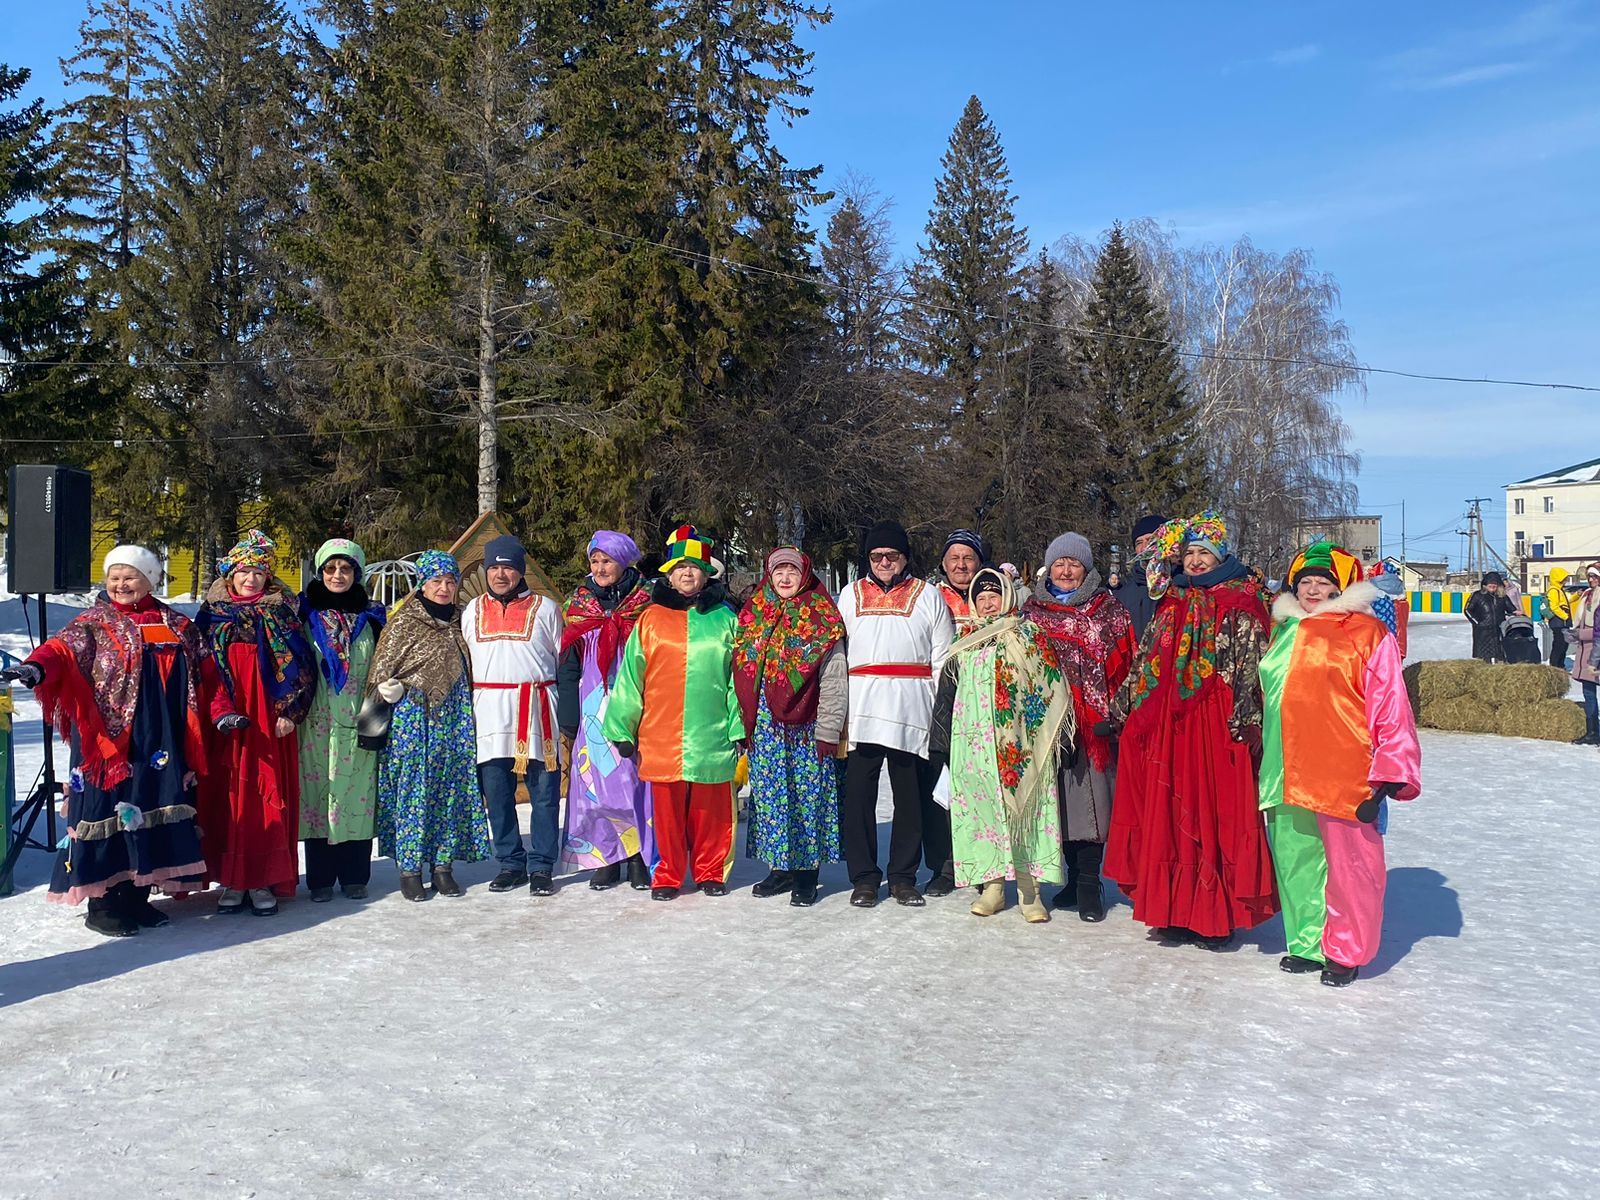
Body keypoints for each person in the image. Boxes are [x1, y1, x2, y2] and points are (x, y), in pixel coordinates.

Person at [1, 546, 234, 936]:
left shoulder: (176, 624)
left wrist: (222, 710)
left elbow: (207, 671)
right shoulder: (92, 622)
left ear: (149, 580)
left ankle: (136, 898)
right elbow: (60, 650)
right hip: (107, 741)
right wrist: (35, 667)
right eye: (114, 577)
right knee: (106, 807)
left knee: (152, 803)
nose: (121, 584)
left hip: (162, 737)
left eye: (130, 577)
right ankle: (104, 905)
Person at [1105, 511, 1278, 947]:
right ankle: (1172, 910)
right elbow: (1148, 655)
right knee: (1167, 811)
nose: (1196, 561)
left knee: (1213, 814)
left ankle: (1213, 915)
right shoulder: (1174, 597)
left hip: (1216, 718)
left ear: (1221, 556)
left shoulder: (1242, 597)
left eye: (1205, 553)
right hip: (1169, 719)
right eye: (1191, 553)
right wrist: (1123, 705)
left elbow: (1251, 664)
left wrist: (1247, 718)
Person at [1259, 542, 1421, 986]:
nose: (1312, 589)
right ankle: (1309, 943)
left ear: (1342, 586)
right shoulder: (1284, 630)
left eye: (1323, 582)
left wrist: (1391, 768)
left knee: (1351, 867)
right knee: (1296, 859)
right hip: (1283, 767)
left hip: (1343, 770)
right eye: (1305, 582)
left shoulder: (1366, 633)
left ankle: (1346, 950)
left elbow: (1390, 704)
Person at [602, 525, 744, 901]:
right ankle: (666, 872)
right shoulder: (650, 619)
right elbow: (631, 676)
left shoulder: (727, 619)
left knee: (711, 808)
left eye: (694, 567)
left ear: (707, 572)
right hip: (660, 733)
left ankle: (711, 869)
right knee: (664, 811)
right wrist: (622, 727)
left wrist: (739, 727)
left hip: (711, 731)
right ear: (668, 572)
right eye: (680, 567)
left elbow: (737, 680)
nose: (687, 574)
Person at [931, 569, 1072, 923]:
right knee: (982, 816)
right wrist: (941, 743)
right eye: (981, 597)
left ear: (1008, 597)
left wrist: (1051, 738)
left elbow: (1051, 687)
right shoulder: (964, 641)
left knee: (1027, 812)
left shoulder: (1028, 635)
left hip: (1020, 748)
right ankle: (992, 887)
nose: (988, 602)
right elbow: (947, 698)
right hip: (974, 747)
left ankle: (1030, 891)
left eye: (994, 595)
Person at [837, 520, 956, 908]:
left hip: (912, 705)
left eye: (891, 555)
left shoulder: (928, 596)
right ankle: (865, 878)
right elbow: (837, 654)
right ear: (868, 559)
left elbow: (942, 656)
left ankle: (904, 876)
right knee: (859, 798)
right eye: (876, 556)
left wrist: (939, 711)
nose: (884, 561)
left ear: (904, 557)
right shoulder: (849, 595)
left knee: (909, 797)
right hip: (862, 706)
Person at [197, 531, 317, 916]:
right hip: (225, 719)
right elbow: (196, 667)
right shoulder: (211, 613)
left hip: (267, 717)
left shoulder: (282, 612)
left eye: (259, 573)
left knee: (265, 797)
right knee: (228, 796)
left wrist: (291, 712)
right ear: (231, 573)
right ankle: (232, 879)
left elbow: (303, 666)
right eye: (244, 571)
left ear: (269, 578)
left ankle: (263, 878)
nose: (251, 579)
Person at [1022, 531, 1137, 922]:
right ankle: (1070, 879)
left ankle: (1090, 881)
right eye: (1060, 563)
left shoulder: (1109, 610)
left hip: (1094, 723)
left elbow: (1128, 663)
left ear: (1086, 568)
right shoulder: (1031, 613)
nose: (1067, 570)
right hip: (1046, 724)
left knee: (1090, 804)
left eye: (1074, 563)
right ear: (1048, 567)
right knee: (1056, 804)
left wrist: (1113, 714)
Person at [369, 551, 490, 901]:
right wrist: (381, 698)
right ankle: (409, 869)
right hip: (412, 716)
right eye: (436, 581)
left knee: (451, 788)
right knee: (413, 789)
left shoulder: (461, 621)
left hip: (454, 716)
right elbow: (380, 671)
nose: (444, 588)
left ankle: (442, 866)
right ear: (422, 584)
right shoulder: (404, 622)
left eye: (450, 581)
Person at [733, 547, 848, 908]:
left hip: (806, 723)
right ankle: (779, 867)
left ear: (805, 575)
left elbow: (834, 676)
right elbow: (740, 667)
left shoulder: (821, 615)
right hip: (766, 723)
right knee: (768, 796)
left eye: (792, 572)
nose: (784, 578)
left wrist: (829, 727)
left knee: (805, 797)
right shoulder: (755, 612)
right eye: (779, 571)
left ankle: (805, 874)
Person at [461, 534, 565, 897]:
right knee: (497, 791)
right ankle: (510, 862)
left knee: (544, 791)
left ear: (520, 571)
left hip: (536, 707)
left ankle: (541, 865)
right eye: (494, 568)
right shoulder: (472, 610)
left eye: (507, 567)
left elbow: (560, 659)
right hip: (488, 711)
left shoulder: (547, 609)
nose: (500, 574)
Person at [557, 530, 655, 891]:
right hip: (592, 703)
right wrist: (568, 712)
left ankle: (638, 856)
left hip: (637, 700)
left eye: (607, 561)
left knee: (634, 778)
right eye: (594, 561)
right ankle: (605, 857)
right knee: (595, 781)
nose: (600, 568)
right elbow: (567, 661)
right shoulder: (578, 604)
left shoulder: (647, 601)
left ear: (624, 562)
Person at [297, 538, 386, 902]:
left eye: (345, 568)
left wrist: (378, 719)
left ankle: (354, 875)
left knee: (357, 798)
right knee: (319, 798)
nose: (337, 575)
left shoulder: (374, 617)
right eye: (330, 569)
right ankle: (319, 879)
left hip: (360, 720)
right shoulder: (303, 615)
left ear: (357, 574)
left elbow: (384, 670)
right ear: (320, 572)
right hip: (315, 723)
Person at [1109, 514, 1167, 641]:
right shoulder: (1122, 595)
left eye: (1150, 539)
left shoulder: (1181, 584)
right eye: (1139, 542)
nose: (1144, 547)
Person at [1569, 563, 1600, 746]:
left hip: (1596, 650)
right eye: (1589, 576)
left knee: (1591, 691)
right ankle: (1592, 730)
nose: (1591, 580)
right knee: (1588, 692)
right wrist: (1575, 634)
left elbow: (1598, 630)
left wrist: (1580, 634)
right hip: (1585, 650)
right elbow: (1582, 621)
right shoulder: (1587, 595)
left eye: (1595, 576)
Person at [1465, 571, 1515, 663]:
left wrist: (1517, 612)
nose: (1492, 585)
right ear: (1485, 584)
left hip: (1499, 630)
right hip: (1483, 632)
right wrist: (1477, 623)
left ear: (1499, 585)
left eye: (1495, 583)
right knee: (1484, 658)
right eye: (1490, 584)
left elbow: (1511, 609)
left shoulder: (1502, 596)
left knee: (1500, 655)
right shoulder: (1477, 595)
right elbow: (1467, 610)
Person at [1544, 567, 1574, 670]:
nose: (1565, 580)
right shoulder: (1554, 590)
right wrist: (1565, 616)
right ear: (1558, 578)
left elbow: (1566, 602)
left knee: (1564, 644)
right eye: (1564, 578)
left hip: (1563, 622)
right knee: (1559, 644)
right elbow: (1554, 607)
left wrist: (1576, 596)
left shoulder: (1559, 590)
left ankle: (1560, 665)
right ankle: (1555, 665)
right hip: (1558, 622)